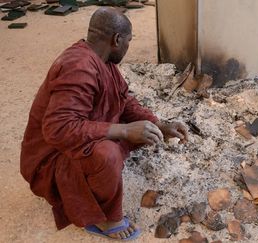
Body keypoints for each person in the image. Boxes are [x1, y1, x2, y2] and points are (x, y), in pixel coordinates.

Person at [20, 7, 188, 241]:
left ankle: (100, 177)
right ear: (116, 39)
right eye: (129, 42)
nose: (128, 48)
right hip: (51, 159)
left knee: (139, 131)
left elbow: (124, 100)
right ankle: (103, 217)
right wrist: (126, 130)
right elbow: (58, 128)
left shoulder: (103, 60)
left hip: (75, 138)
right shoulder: (77, 66)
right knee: (107, 153)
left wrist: (158, 124)